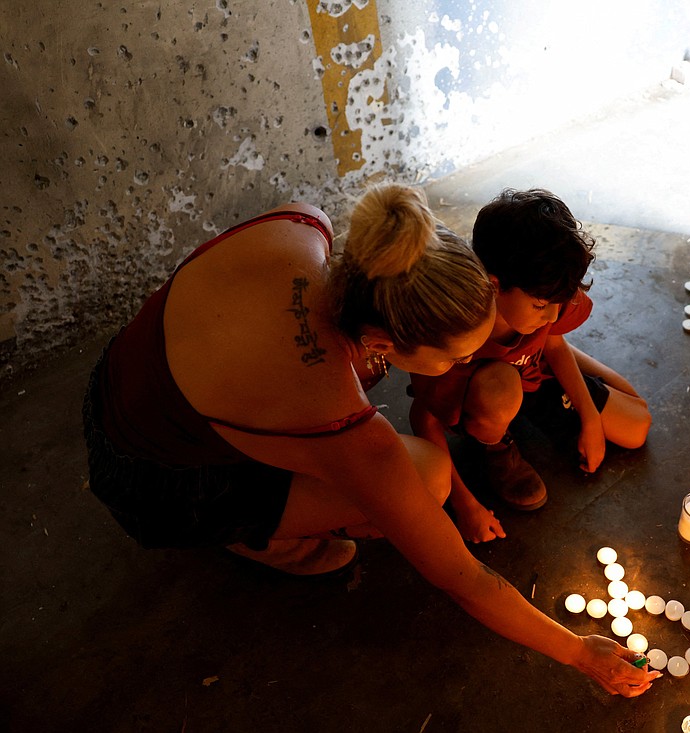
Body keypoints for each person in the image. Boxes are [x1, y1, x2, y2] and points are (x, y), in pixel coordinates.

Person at [82, 183, 659, 696]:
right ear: (384, 339)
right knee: (427, 478)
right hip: (156, 477)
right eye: (458, 356)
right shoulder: (336, 414)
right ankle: (254, 536)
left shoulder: (308, 228)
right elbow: (464, 579)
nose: (468, 361)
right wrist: (583, 654)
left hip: (118, 382)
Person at [410, 188, 652, 543]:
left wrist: (590, 419)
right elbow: (424, 415)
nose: (553, 315)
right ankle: (495, 444)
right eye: (541, 306)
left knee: (637, 425)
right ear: (494, 286)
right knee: (501, 393)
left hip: (531, 372)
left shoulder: (546, 296)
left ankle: (551, 390)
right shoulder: (452, 331)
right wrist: (465, 505)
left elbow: (552, 338)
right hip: (487, 394)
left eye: (561, 303)